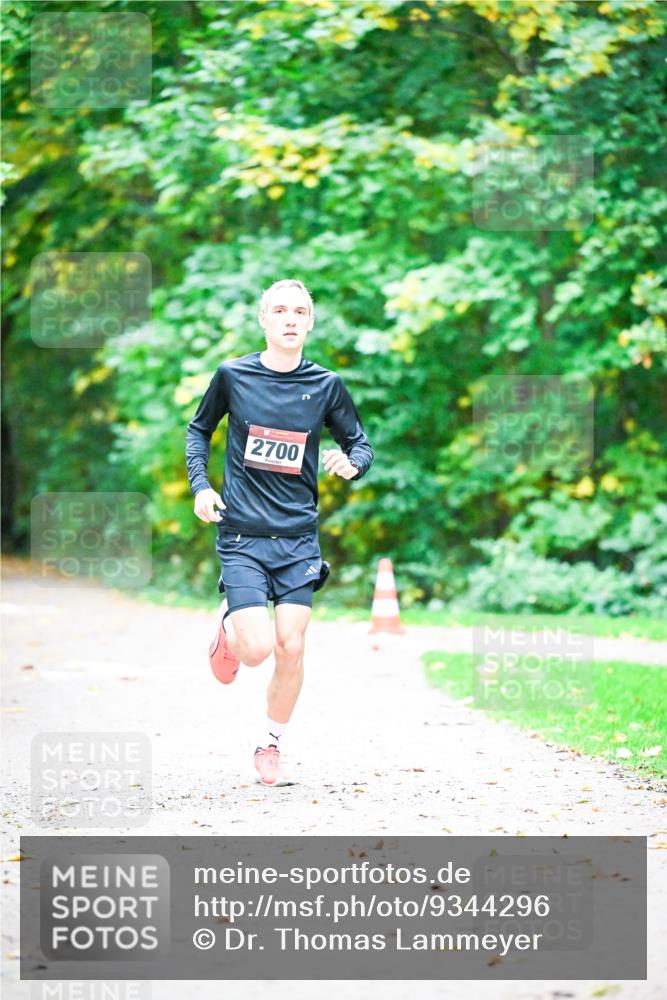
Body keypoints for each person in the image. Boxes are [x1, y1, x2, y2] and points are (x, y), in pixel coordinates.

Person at [185, 278, 373, 786]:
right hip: (243, 534)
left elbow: (360, 443)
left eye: (300, 311)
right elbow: (199, 429)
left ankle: (271, 741)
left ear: (309, 322)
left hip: (297, 539)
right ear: (264, 320)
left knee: (292, 647)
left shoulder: (327, 385)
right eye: (281, 310)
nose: (291, 319)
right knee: (257, 650)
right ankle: (228, 629)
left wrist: (353, 464)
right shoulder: (233, 375)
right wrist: (201, 486)